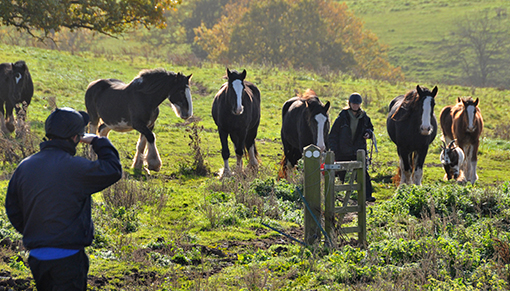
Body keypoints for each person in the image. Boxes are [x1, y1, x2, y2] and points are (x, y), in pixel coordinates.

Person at [5, 107, 122, 291]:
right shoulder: (76, 168)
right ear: (76, 138)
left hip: (37, 258)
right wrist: (99, 142)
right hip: (69, 258)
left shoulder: (24, 167)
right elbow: (113, 169)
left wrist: (36, 233)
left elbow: (13, 209)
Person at [328, 93, 376, 202]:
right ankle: (338, 196)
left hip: (358, 150)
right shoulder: (342, 117)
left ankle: (367, 195)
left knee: (363, 173)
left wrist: (368, 133)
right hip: (342, 150)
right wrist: (334, 150)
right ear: (349, 104)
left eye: (357, 104)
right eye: (353, 104)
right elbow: (333, 135)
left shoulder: (364, 117)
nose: (355, 106)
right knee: (341, 173)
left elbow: (370, 128)